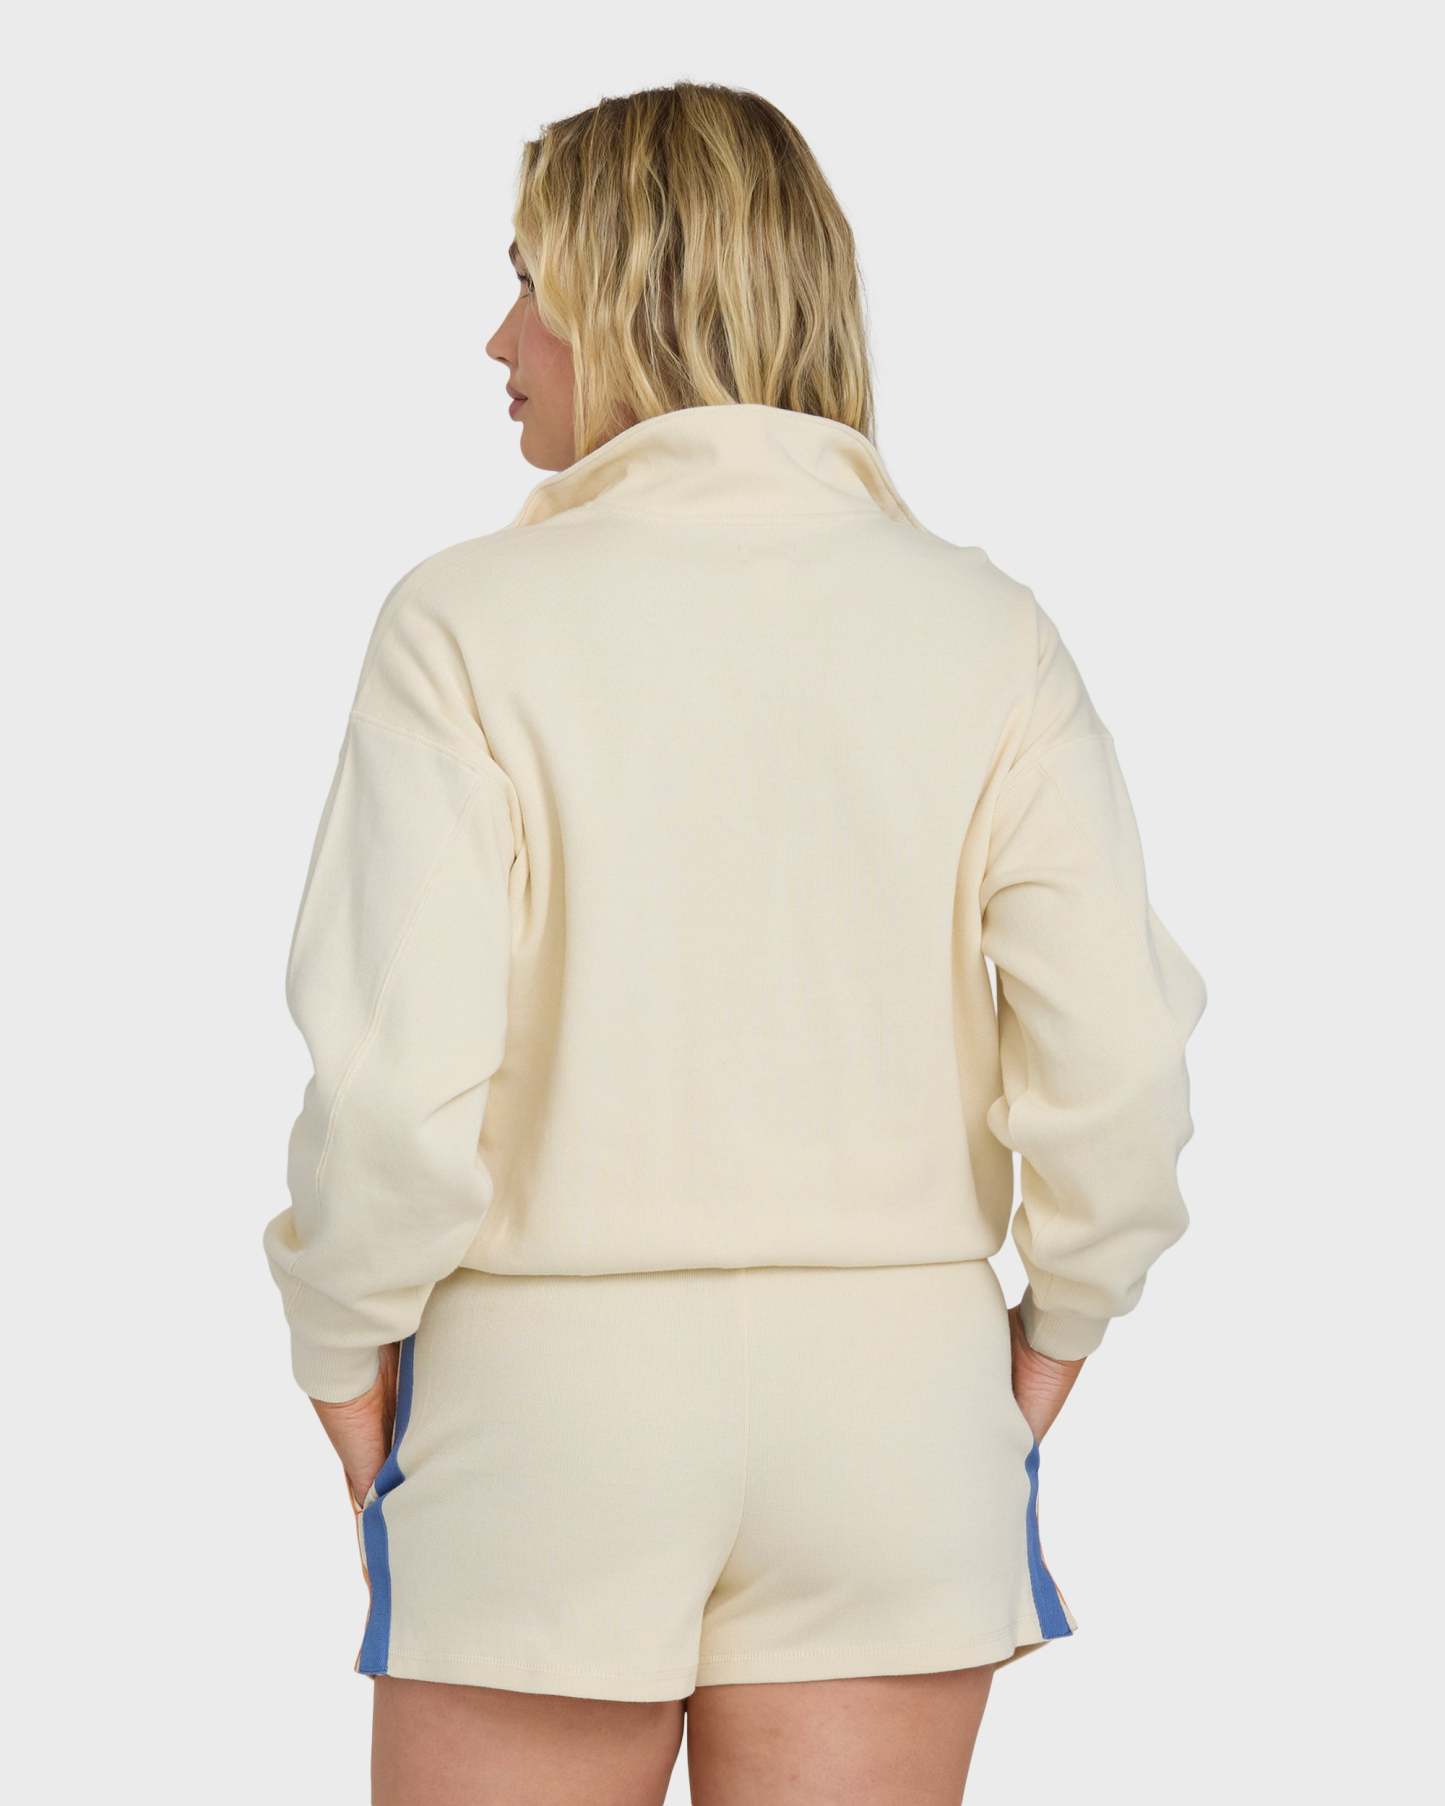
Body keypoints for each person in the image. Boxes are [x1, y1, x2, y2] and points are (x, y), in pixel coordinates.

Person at [262, 80, 1207, 1806]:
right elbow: (1117, 1056)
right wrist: (1057, 1326)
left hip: (552, 1400)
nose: (499, 338)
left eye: (530, 284)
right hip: (896, 1397)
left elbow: (399, 1079)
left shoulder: (464, 623)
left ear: (627, 295)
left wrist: (339, 1344)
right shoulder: (985, 629)